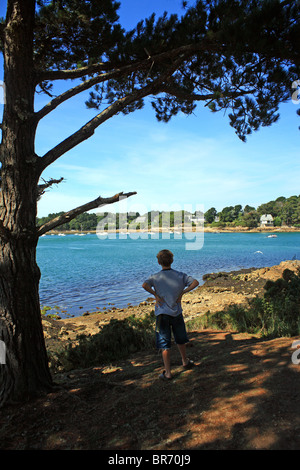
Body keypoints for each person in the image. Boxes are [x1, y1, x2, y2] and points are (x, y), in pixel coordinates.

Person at [142, 249, 199, 380]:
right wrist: (183, 292)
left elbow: (144, 285)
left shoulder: (155, 277)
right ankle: (185, 361)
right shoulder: (180, 275)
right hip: (177, 312)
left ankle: (168, 373)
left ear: (158, 262)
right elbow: (195, 282)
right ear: (172, 261)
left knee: (164, 344)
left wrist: (155, 295)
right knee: (180, 339)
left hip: (162, 314)